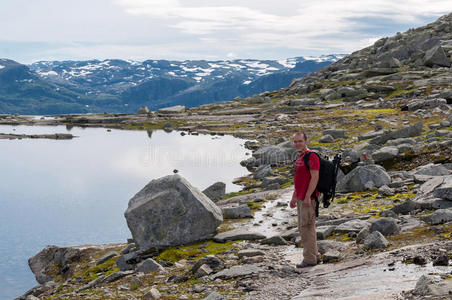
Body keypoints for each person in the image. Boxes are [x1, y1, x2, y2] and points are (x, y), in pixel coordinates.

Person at [290, 131, 320, 268]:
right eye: (295, 142)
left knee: (307, 228)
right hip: (301, 197)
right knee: (305, 228)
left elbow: (315, 178)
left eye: (300, 141)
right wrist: (294, 197)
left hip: (309, 198)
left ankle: (309, 259)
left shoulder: (311, 156)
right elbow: (299, 180)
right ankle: (315, 255)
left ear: (306, 141)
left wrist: (308, 195)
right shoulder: (300, 157)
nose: (297, 144)